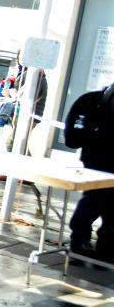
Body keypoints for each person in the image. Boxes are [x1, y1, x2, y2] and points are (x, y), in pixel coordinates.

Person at [65, 83, 114, 261]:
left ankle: (101, 244)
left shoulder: (92, 100)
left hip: (98, 158)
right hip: (98, 160)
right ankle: (82, 240)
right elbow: (73, 137)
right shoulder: (91, 101)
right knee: (96, 198)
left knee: (100, 200)